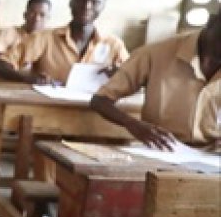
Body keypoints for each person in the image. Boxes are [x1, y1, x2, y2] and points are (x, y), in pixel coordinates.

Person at [90, 9, 220, 150]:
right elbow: (100, 100)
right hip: (162, 148)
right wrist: (133, 124)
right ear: (211, 22)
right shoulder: (155, 54)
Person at [0, 0, 129, 85]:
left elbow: (136, 79)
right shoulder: (44, 38)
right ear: (71, 2)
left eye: (95, 2)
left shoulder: (114, 45)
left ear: (103, 6)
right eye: (81, 0)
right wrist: (28, 77)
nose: (87, 6)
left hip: (94, 116)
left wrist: (121, 76)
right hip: (47, 114)